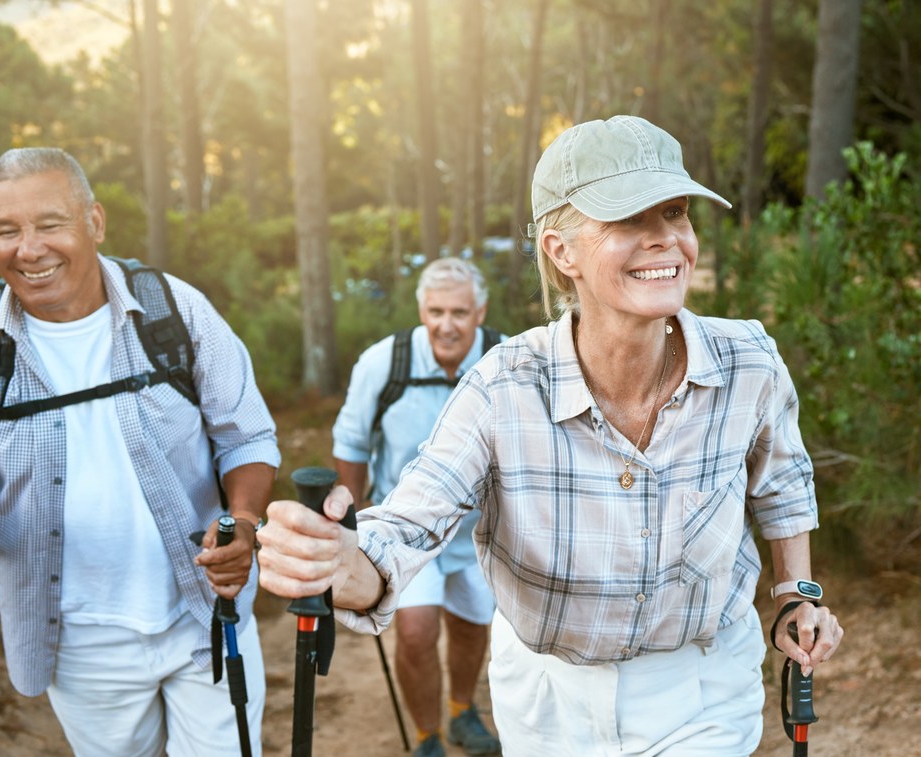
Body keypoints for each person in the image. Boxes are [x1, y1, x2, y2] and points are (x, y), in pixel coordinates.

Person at [256, 115, 844, 755]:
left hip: (701, 684)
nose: (665, 240)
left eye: (675, 212)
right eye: (628, 220)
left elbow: (782, 487)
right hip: (547, 698)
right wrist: (346, 562)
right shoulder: (501, 387)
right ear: (562, 251)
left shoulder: (748, 362)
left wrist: (796, 596)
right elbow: (410, 522)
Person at [0, 148, 280, 757]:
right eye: (6, 230)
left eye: (50, 224)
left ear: (94, 222)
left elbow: (247, 437)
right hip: (77, 643)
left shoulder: (174, 310)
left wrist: (246, 521)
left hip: (205, 615)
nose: (29, 249)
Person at [331, 257, 501, 757]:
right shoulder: (385, 363)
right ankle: (427, 736)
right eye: (436, 311)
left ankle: (461, 711)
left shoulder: (503, 357)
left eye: (460, 312)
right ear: (421, 310)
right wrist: (349, 527)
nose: (446, 325)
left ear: (480, 311)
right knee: (416, 629)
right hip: (405, 529)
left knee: (471, 626)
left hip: (479, 531)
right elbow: (352, 442)